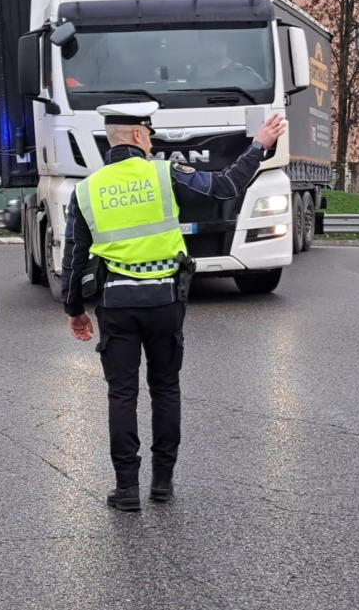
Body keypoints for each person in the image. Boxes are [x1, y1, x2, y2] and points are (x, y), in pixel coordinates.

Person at [61, 101, 287, 512]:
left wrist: (74, 309)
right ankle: (162, 483)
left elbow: (74, 257)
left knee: (122, 394)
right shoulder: (164, 174)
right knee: (165, 388)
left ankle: (126, 488)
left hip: (116, 303)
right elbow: (225, 187)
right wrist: (259, 146)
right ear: (136, 135)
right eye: (148, 132)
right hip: (164, 301)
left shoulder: (85, 189)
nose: (151, 139)